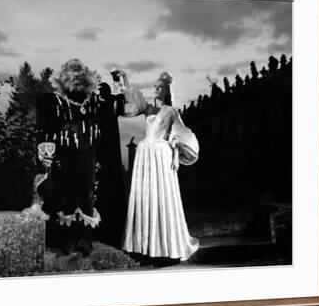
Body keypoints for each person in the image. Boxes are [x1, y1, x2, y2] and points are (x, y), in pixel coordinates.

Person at [115, 69, 200, 260]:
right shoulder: (148, 108)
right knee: (146, 196)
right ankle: (146, 245)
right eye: (156, 86)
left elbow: (180, 132)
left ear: (166, 90)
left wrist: (176, 150)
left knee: (162, 195)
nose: (156, 89)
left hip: (161, 153)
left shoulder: (171, 111)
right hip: (146, 153)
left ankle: (166, 246)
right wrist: (124, 78)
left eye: (160, 87)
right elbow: (132, 101)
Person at [35, 59, 103, 257]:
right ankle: (69, 239)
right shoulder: (54, 102)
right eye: (71, 72)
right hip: (65, 154)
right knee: (67, 195)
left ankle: (85, 238)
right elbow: (46, 130)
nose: (76, 76)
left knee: (87, 194)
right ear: (63, 77)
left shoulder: (94, 101)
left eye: (79, 72)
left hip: (88, 153)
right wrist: (46, 157)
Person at [96, 82, 127, 248]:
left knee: (110, 178)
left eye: (102, 92)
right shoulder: (102, 103)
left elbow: (121, 109)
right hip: (104, 146)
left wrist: (118, 91)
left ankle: (113, 226)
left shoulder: (111, 102)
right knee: (106, 180)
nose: (101, 94)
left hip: (109, 146)